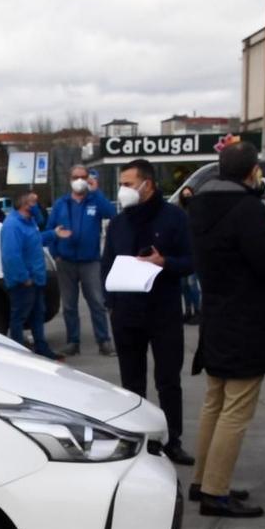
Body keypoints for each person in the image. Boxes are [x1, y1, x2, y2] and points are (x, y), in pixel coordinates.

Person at [185, 141, 265, 519]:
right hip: (246, 321)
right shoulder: (246, 208)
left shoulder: (201, 205)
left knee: (215, 402)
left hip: (218, 315)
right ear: (252, 170)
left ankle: (202, 480)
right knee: (236, 409)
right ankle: (215, 492)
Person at [103, 157, 197, 463]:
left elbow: (190, 261)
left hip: (163, 311)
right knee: (131, 383)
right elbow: (107, 265)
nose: (123, 191)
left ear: (148, 185)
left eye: (128, 184)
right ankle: (137, 441)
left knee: (168, 380)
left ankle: (172, 440)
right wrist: (112, 304)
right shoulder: (118, 222)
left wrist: (165, 262)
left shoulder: (174, 218)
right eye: (121, 185)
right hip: (127, 314)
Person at [44, 163, 116, 357]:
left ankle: (104, 341)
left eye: (82, 177)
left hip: (90, 261)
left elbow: (112, 214)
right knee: (69, 305)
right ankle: (73, 342)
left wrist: (97, 192)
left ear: (88, 178)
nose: (79, 180)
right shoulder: (61, 203)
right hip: (65, 261)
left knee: (97, 302)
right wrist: (55, 252)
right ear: (70, 180)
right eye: (75, 177)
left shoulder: (94, 201)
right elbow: (50, 229)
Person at [0, 190, 56, 357]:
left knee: (38, 315)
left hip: (36, 279)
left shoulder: (29, 221)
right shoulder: (12, 225)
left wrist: (53, 234)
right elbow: (11, 256)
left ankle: (42, 349)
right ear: (25, 204)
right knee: (19, 317)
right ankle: (18, 351)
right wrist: (24, 278)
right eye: (34, 202)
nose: (37, 206)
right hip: (23, 282)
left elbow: (36, 239)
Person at [177, 183, 202, 322]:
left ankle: (198, 310)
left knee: (192, 283)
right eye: (185, 195)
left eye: (189, 195)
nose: (187, 197)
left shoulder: (197, 212)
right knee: (184, 284)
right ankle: (187, 310)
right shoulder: (180, 212)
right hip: (182, 252)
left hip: (193, 251)